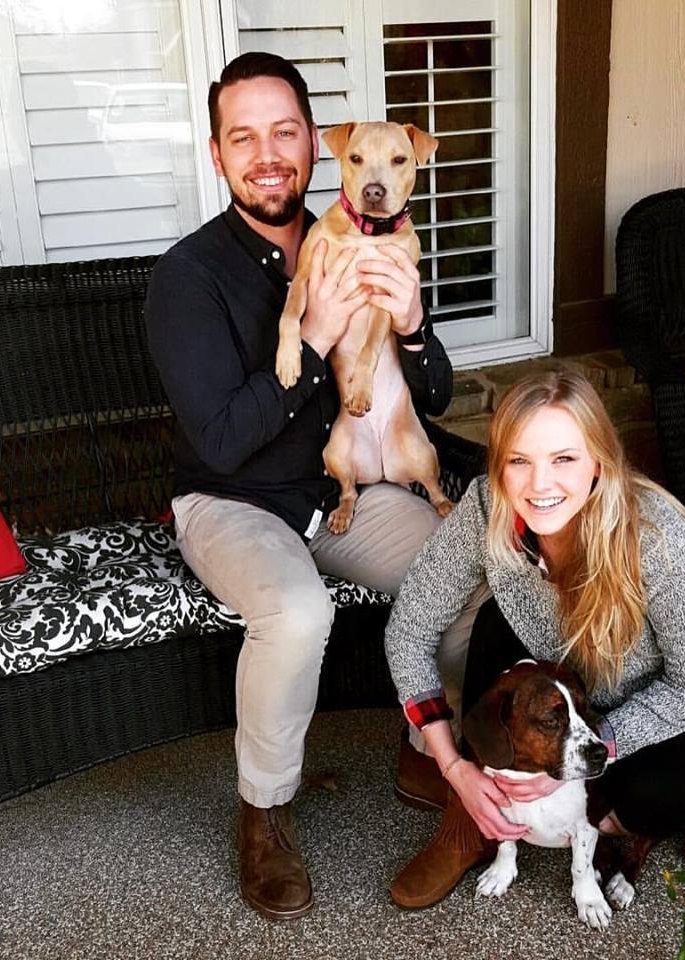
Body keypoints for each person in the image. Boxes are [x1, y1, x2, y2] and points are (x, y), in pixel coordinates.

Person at [144, 52, 482, 920]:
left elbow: (433, 395)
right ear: (217, 154)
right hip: (233, 500)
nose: (267, 153)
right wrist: (314, 334)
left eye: (283, 131)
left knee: (468, 577)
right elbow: (219, 437)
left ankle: (427, 737)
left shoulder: (364, 236)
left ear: (312, 142)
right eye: (242, 135)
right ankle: (262, 810)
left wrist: (410, 326)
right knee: (297, 611)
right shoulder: (187, 278)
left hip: (344, 486)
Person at [384, 370, 685, 909]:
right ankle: (470, 821)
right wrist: (455, 767)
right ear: (498, 465)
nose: (539, 485)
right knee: (495, 625)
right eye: (519, 460)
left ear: (598, 462)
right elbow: (409, 628)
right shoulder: (490, 507)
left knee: (641, 799)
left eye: (564, 459)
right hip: (585, 676)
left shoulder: (657, 542)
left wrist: (593, 750)